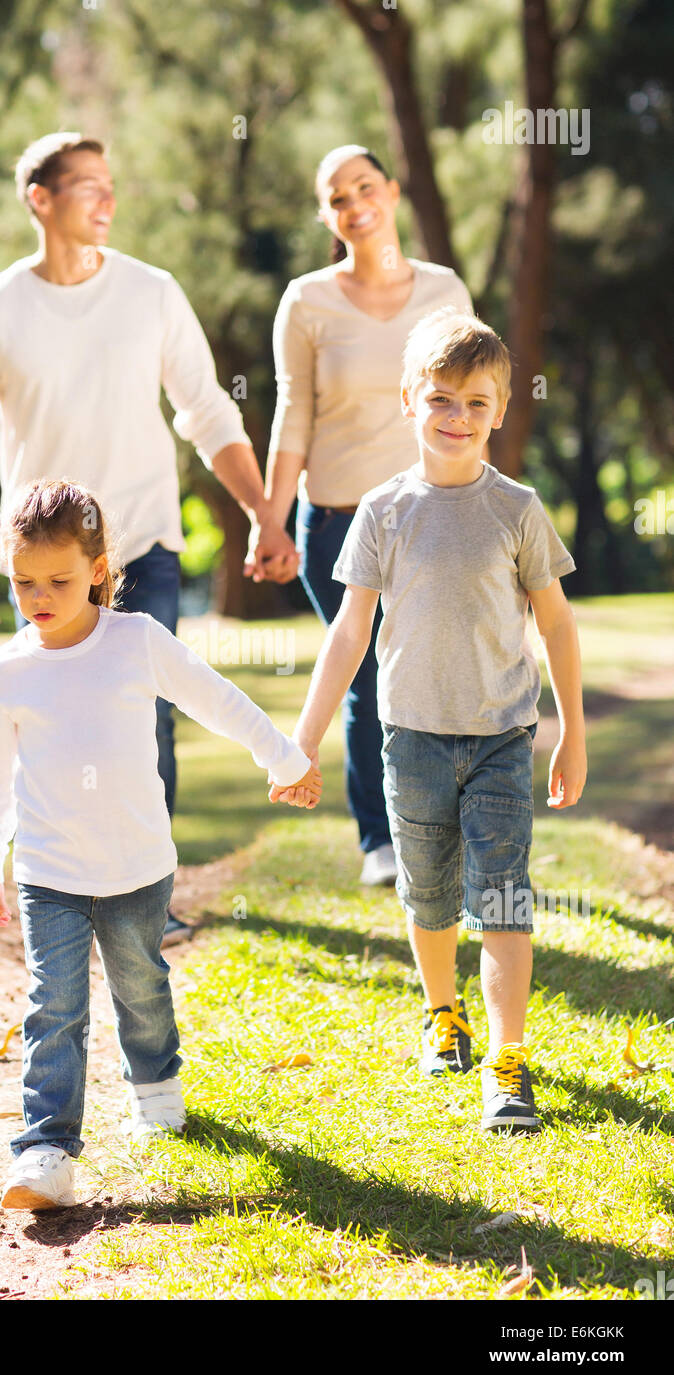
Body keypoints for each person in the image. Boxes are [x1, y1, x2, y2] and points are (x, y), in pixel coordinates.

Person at [0, 131, 297, 947]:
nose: (107, 200)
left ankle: (144, 898)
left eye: (110, 183)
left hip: (140, 539)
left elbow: (205, 409)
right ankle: (64, 884)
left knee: (149, 714)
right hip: (47, 561)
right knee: (56, 719)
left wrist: (263, 513)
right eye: (87, 186)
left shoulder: (152, 291)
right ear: (41, 198)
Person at [272, 307, 587, 1131]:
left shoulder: (516, 509)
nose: (457, 417)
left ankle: (507, 1061)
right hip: (408, 736)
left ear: (501, 411)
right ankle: (442, 1013)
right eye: (441, 398)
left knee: (505, 897)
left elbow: (555, 624)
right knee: (430, 896)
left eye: (476, 403)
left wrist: (572, 734)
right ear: (409, 399)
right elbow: (348, 634)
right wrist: (299, 744)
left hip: (500, 739)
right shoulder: (381, 511)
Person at [0, 479, 321, 1210]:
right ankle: (45, 1148)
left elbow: (215, 697)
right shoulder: (6, 672)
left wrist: (283, 758)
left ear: (98, 570)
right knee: (52, 1006)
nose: (39, 595)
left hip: (136, 870)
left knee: (141, 989)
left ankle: (155, 1084)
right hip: (49, 874)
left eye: (59, 580)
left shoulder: (136, 641)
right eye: (23, 581)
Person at [261, 145, 474, 889]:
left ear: (390, 191)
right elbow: (293, 415)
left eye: (364, 188)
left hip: (434, 513)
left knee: (441, 669)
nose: (354, 205)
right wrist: (271, 518)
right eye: (336, 197)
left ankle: (447, 822)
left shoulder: (445, 289)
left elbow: (468, 396)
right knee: (364, 673)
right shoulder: (307, 300)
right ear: (327, 214)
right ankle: (381, 839)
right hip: (338, 518)